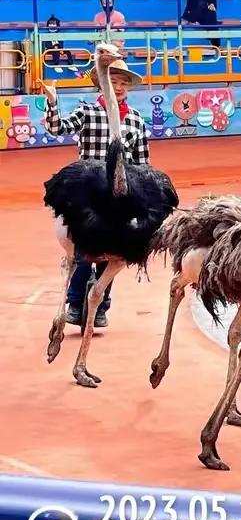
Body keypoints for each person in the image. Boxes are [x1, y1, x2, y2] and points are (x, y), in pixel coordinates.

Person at [42, 56, 149, 328]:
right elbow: (58, 129)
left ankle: (100, 306)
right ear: (102, 85)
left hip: (118, 191)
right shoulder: (87, 111)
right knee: (83, 247)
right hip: (88, 187)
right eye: (113, 82)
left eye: (123, 82)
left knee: (115, 250)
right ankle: (76, 303)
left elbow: (142, 161)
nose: (119, 87)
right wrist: (52, 102)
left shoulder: (136, 120)